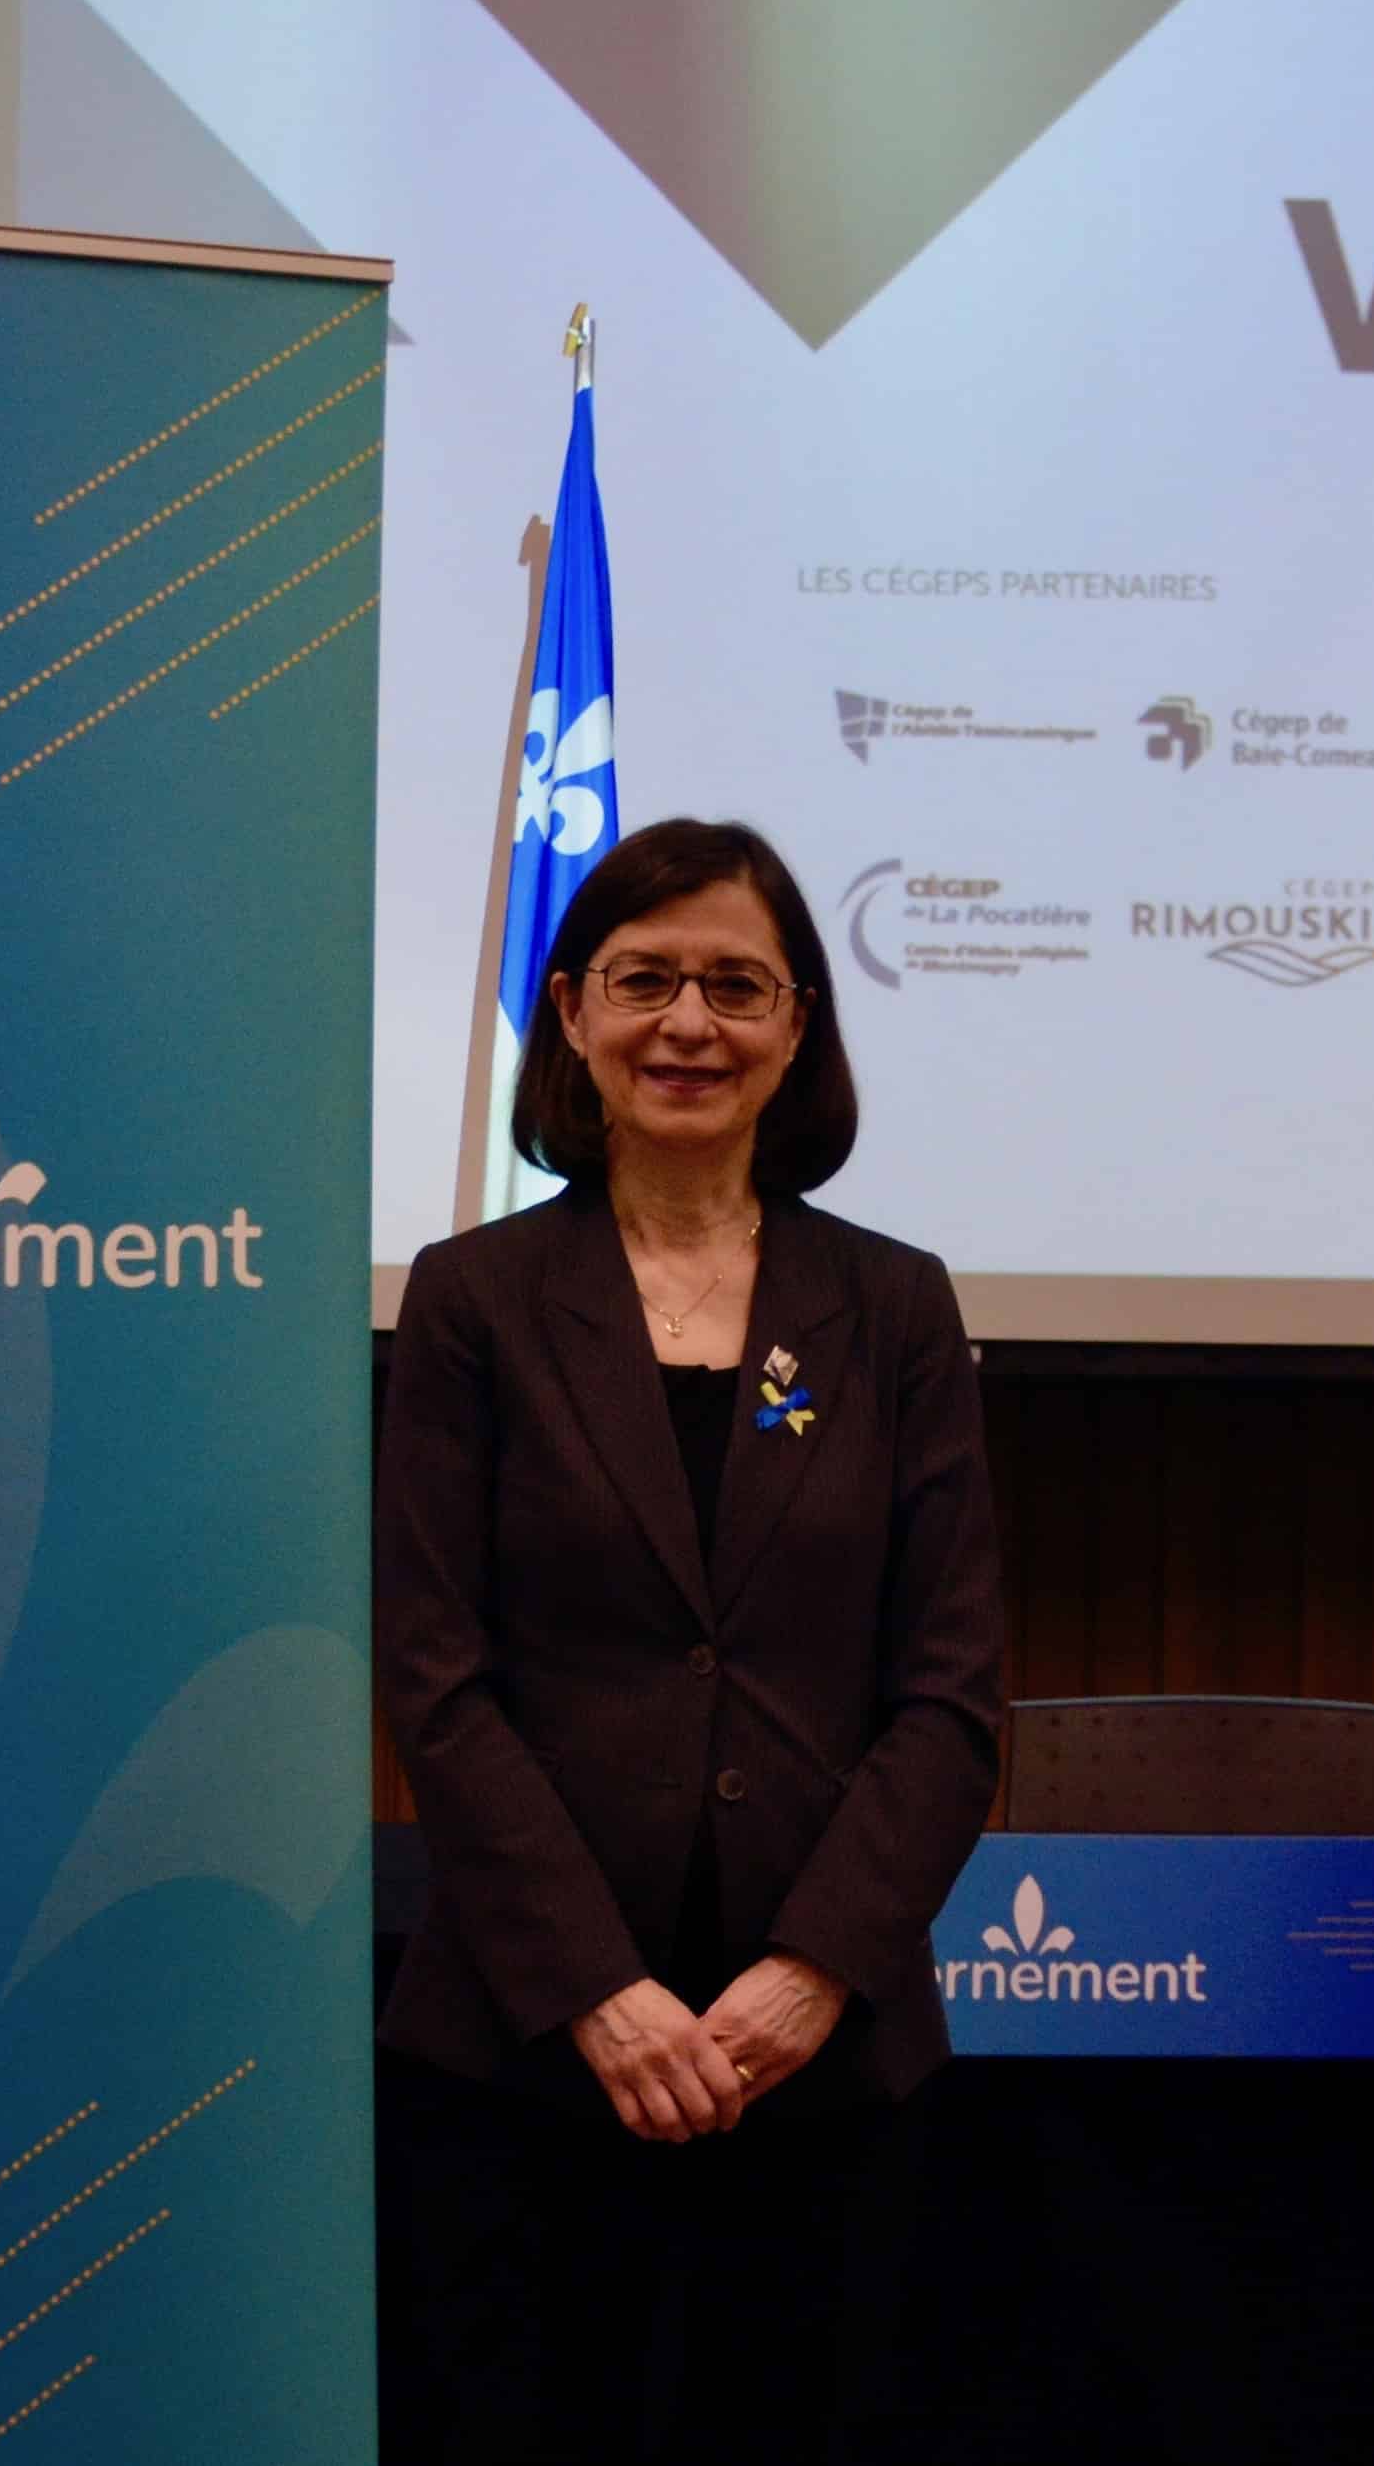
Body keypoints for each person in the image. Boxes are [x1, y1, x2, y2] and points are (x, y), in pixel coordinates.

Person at [377, 817, 1005, 2464]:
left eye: (734, 985)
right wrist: (599, 1993)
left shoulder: (893, 1307)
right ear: (572, 1012)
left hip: (824, 2059)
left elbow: (950, 1693)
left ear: (796, 1027)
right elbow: (436, 1680)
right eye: (645, 979)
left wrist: (808, 1977)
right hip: (529, 2045)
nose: (687, 1024)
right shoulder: (473, 1299)